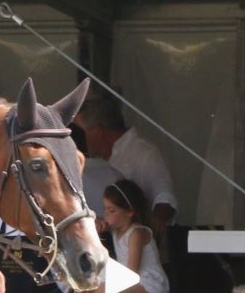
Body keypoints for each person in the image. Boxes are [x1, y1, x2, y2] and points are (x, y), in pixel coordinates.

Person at [75, 93, 177, 239]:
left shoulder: (143, 153)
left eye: (80, 131)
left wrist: (149, 230)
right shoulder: (94, 160)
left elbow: (165, 198)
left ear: (97, 131)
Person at [101, 179, 171, 293]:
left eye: (112, 211)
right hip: (130, 283)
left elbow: (131, 272)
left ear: (129, 212)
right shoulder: (115, 231)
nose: (106, 214)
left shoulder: (136, 233)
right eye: (105, 209)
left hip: (148, 285)